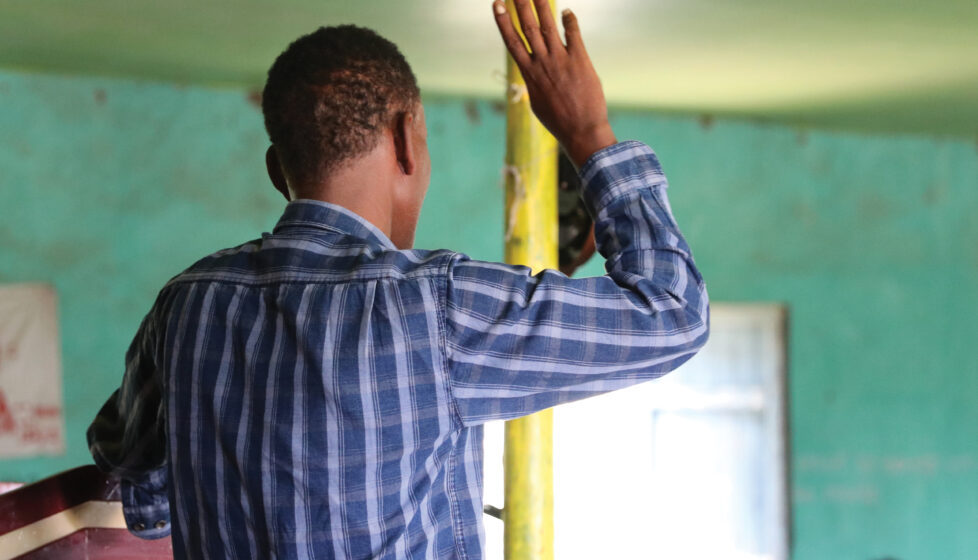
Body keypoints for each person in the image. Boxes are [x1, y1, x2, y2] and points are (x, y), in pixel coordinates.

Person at [87, 0, 709, 558]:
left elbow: (142, 498)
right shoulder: (434, 305)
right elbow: (673, 312)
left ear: (279, 170)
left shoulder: (186, 306)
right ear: (407, 141)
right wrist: (588, 132)